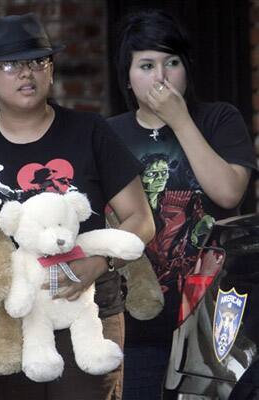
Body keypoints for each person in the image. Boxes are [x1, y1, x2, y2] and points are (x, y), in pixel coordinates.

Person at [0, 13, 155, 400]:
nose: (26, 73)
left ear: (50, 72)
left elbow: (140, 219)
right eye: (10, 64)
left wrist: (100, 263)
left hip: (85, 308)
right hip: (6, 320)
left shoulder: (90, 132)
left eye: (37, 61)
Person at [107, 9, 257, 400]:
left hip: (214, 315)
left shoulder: (219, 119)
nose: (161, 76)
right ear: (127, 76)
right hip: (137, 318)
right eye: (147, 65)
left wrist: (180, 120)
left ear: (186, 69)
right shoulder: (109, 134)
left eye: (171, 62)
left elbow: (228, 193)